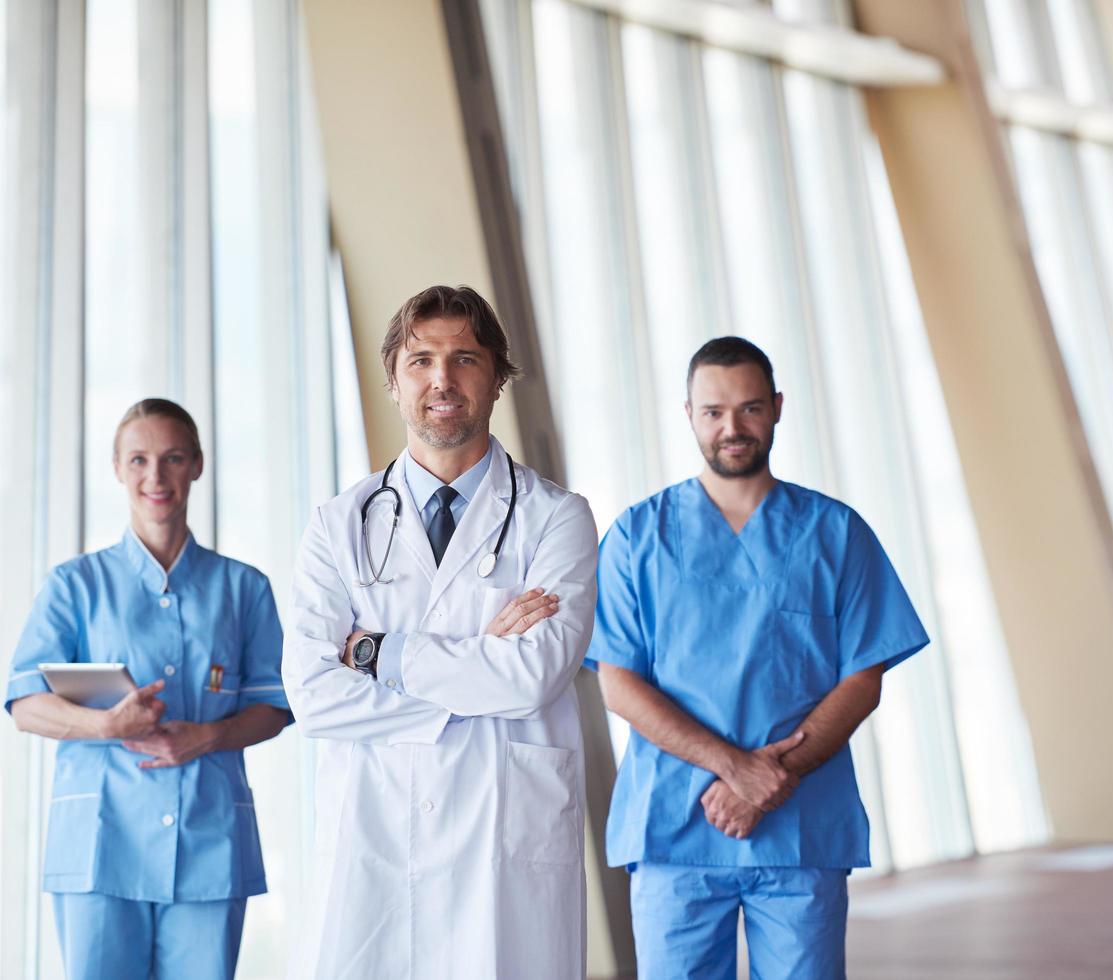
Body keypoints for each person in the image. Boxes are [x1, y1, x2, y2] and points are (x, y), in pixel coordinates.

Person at [589, 337, 930, 979]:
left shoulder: (835, 532)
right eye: (714, 412)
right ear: (688, 414)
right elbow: (618, 683)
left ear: (776, 408)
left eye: (748, 409)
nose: (732, 428)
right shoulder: (638, 535)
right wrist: (737, 770)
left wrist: (773, 780)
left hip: (799, 826)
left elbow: (863, 679)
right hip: (675, 827)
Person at [283, 285, 598, 979]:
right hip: (374, 833)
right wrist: (481, 662)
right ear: (394, 381)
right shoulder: (337, 526)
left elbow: (532, 677)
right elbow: (312, 694)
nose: (441, 380)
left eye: (464, 359)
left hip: (501, 835)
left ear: (496, 379)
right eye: (421, 360)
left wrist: (375, 654)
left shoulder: (556, 519)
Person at [5, 398, 292, 980]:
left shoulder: (244, 589)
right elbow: (25, 704)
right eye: (138, 460)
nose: (155, 476)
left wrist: (208, 736)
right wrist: (106, 725)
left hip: (208, 842)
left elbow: (276, 707)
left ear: (197, 465)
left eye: (172, 458)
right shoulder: (74, 586)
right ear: (116, 468)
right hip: (99, 847)